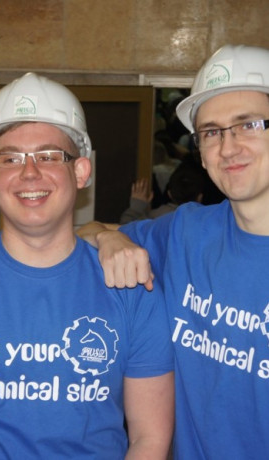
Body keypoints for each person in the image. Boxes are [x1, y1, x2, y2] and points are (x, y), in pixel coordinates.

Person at [0, 72, 174, 459]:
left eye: (48, 156)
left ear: (81, 171)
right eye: (11, 159)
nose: (29, 173)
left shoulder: (131, 288)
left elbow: (150, 440)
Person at [78, 44, 269, 459]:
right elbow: (82, 232)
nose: (228, 147)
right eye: (211, 132)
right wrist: (110, 239)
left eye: (248, 124)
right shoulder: (187, 231)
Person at [119, 159, 206, 223]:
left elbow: (124, 232)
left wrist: (135, 209)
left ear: (169, 193)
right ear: (200, 197)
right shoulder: (204, 221)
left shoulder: (152, 219)